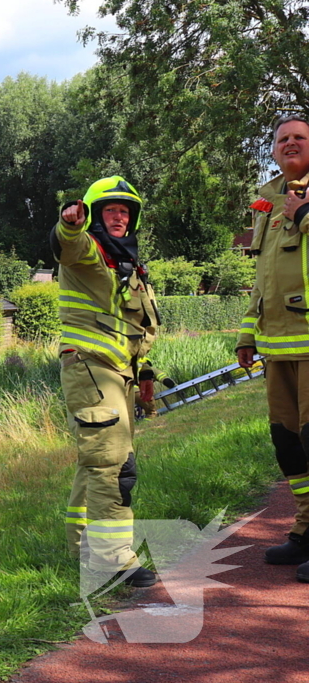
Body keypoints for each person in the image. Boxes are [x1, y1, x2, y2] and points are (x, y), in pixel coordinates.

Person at [54, 176, 161, 588]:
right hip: (91, 369)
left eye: (125, 212)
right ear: (95, 215)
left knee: (96, 463)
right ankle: (112, 559)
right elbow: (68, 244)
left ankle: (81, 546)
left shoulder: (129, 263)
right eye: (110, 210)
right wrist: (69, 224)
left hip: (119, 375)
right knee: (115, 466)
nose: (118, 218)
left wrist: (145, 372)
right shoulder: (89, 252)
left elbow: (137, 325)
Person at [237, 114, 309, 581]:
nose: (290, 144)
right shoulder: (266, 202)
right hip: (276, 347)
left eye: (300, 137)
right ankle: (305, 528)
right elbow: (262, 280)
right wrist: (247, 333)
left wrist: (303, 214)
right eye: (282, 139)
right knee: (288, 445)